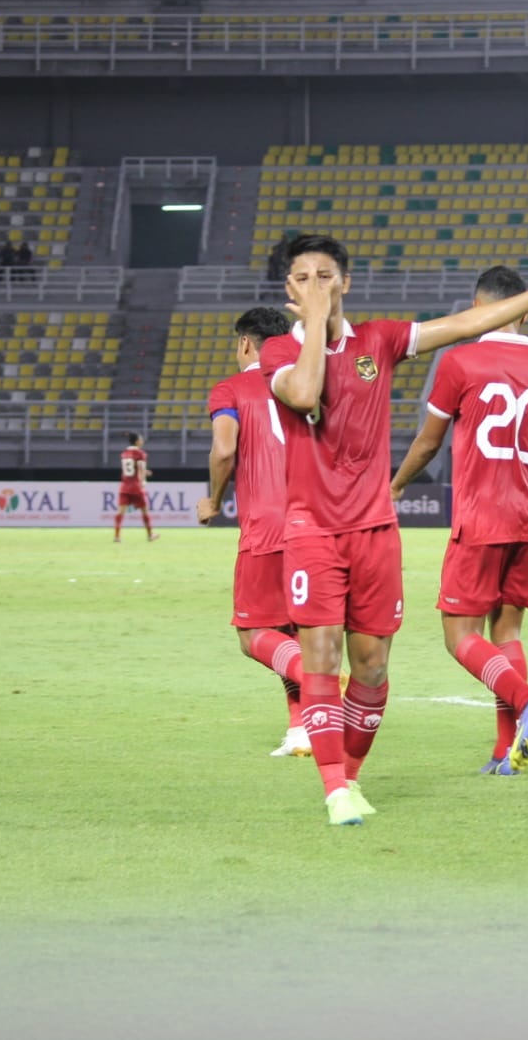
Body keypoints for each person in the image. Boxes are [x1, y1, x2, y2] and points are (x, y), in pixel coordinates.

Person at [260, 234, 528, 826]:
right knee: (321, 654)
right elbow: (307, 391)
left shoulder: (380, 341)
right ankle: (335, 787)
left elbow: (468, 323)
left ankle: (352, 777)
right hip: (311, 530)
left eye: (326, 275)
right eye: (304, 277)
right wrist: (314, 325)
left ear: (346, 282)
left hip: (376, 533)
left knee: (371, 667)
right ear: (289, 289)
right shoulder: (277, 356)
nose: (316, 286)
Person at [390, 266, 528, 777]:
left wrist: (397, 483)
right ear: (525, 310)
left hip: (481, 517)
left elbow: (429, 441)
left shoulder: (460, 361)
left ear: (478, 309)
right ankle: (504, 751)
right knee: (506, 630)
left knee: (460, 634)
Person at [196, 307, 312, 759]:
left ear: (245, 343)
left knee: (254, 634)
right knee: (295, 629)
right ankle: (302, 730)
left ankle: (318, 676)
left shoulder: (232, 388)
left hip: (268, 529)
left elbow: (224, 450)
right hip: (319, 527)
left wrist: (215, 500)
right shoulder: (307, 384)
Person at [114, 432, 156, 543]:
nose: (142, 441)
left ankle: (117, 536)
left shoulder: (124, 453)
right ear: (137, 441)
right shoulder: (140, 454)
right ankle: (150, 535)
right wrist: (142, 482)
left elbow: (130, 469)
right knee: (145, 511)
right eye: (141, 439)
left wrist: (144, 472)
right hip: (136, 486)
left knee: (120, 512)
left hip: (124, 486)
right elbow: (140, 469)